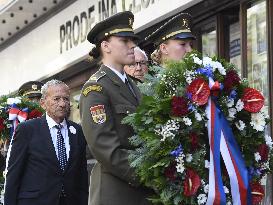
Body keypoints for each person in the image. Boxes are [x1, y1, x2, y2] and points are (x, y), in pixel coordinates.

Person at [80, 11, 152, 205]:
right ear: (106, 46)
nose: (132, 46)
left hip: (141, 193)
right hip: (116, 194)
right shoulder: (96, 88)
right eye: (125, 41)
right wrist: (150, 174)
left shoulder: (133, 85)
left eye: (133, 41)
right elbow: (105, 149)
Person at [4, 79, 88, 205]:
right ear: (43, 103)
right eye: (56, 99)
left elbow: (81, 174)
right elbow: (14, 173)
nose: (62, 104)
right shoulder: (27, 129)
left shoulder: (77, 130)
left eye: (65, 99)